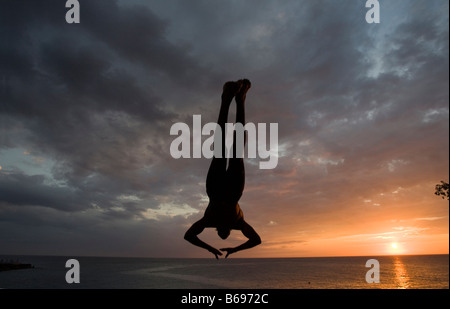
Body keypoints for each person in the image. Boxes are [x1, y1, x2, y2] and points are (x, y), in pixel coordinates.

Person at [184, 79, 261, 259]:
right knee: (236, 148)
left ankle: (227, 98)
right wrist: (234, 250)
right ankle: (240, 99)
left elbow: (189, 236)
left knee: (220, 147)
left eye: (221, 235)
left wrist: (209, 248)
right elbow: (256, 240)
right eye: (225, 236)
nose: (224, 235)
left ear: (218, 230)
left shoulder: (209, 221)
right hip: (233, 191)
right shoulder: (238, 224)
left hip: (216, 190)